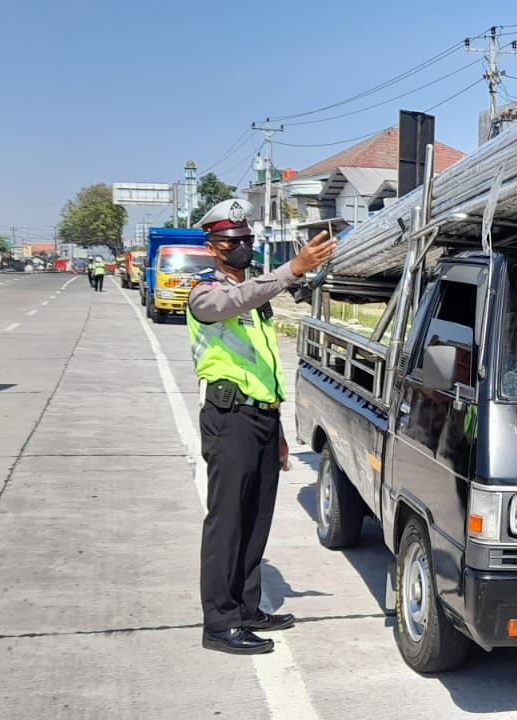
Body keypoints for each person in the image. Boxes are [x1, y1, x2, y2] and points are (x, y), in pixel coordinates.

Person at [185, 198, 336, 655]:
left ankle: (246, 607)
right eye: (234, 241)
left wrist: (280, 433)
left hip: (260, 420)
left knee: (255, 519)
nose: (243, 247)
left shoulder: (255, 297)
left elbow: (265, 366)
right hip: (228, 420)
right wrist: (292, 268)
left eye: (248, 240)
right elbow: (236, 300)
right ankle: (219, 622)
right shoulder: (206, 293)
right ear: (213, 248)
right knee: (227, 522)